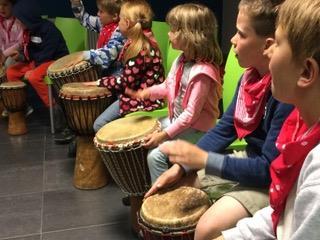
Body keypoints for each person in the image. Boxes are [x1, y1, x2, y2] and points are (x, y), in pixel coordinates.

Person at [145, 0, 294, 239]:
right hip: (252, 161)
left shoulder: (286, 95)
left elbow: (268, 169)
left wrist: (204, 159)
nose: (232, 40)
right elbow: (225, 128)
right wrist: (181, 166)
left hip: (272, 179)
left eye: (241, 34)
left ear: (267, 45)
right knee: (179, 188)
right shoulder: (249, 79)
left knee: (206, 229)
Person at [215, 0, 320, 239]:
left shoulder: (317, 176)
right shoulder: (299, 128)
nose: (269, 51)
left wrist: (203, 160)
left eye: (278, 43)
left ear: (305, 72)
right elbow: (283, 217)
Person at [126, 3, 223, 184]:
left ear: (189, 34)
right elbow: (168, 86)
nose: (168, 34)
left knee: (154, 156)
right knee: (143, 134)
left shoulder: (203, 73)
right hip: (179, 121)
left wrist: (164, 135)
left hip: (199, 130)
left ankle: (163, 198)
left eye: (173, 30)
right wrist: (147, 92)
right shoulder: (182, 59)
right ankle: (144, 187)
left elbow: (190, 115)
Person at [87, 0, 165, 132]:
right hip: (136, 93)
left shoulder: (141, 49)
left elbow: (125, 82)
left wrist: (99, 82)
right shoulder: (137, 42)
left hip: (144, 100)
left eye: (120, 20)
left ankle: (120, 150)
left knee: (99, 125)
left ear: (127, 23)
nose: (118, 24)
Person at [5, 0, 68, 112]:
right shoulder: (28, 31)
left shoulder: (49, 29)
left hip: (55, 60)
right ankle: (23, 105)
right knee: (11, 72)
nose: (18, 22)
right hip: (38, 62)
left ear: (27, 18)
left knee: (34, 76)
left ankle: (54, 107)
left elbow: (48, 54)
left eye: (19, 20)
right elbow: (31, 52)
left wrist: (34, 67)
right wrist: (21, 57)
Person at [69, 0, 125, 76]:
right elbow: (84, 19)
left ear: (114, 16)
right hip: (104, 73)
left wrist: (85, 55)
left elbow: (109, 52)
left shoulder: (121, 31)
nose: (98, 14)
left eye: (101, 12)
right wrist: (76, 3)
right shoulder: (103, 23)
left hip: (116, 76)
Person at [0, 0, 23, 68]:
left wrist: (4, 54)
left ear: (13, 6)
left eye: (5, 5)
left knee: (8, 64)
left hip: (16, 53)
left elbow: (20, 43)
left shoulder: (19, 21)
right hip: (2, 54)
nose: (1, 8)